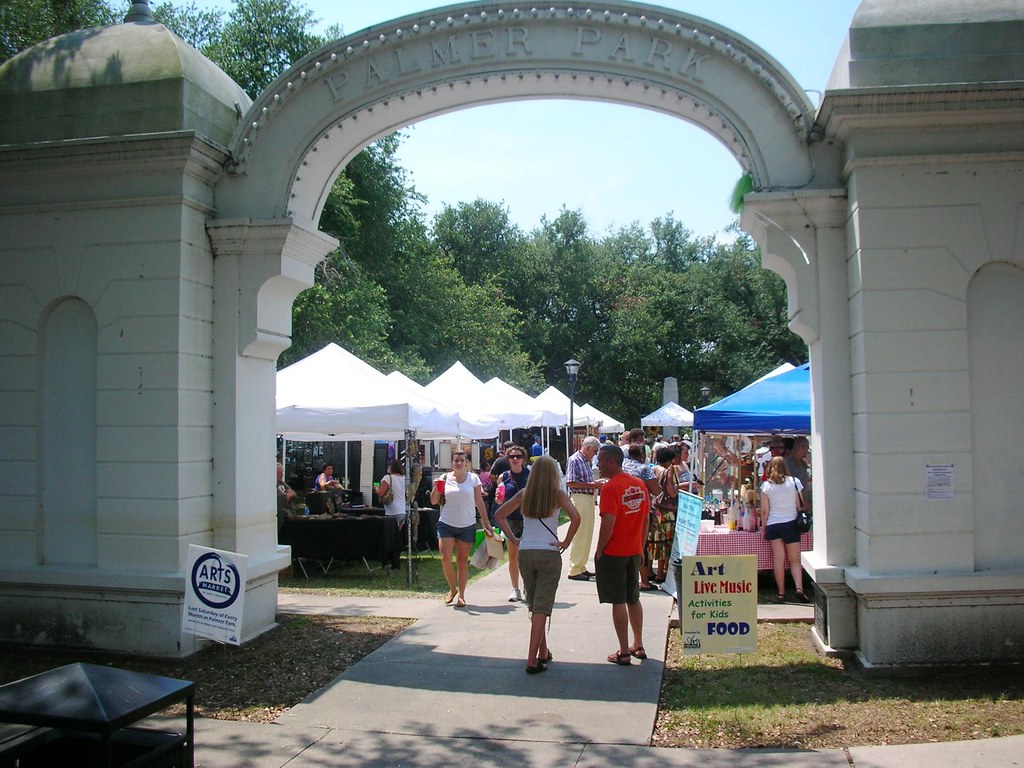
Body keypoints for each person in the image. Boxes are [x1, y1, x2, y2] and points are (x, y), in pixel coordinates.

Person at [495, 455, 581, 674]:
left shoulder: (525, 494)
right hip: (549, 552)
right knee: (542, 606)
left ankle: (543, 651)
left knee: (534, 604)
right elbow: (576, 517)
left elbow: (499, 514)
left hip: (526, 551)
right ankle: (532, 659)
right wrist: (566, 541)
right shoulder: (558, 495)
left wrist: (514, 538)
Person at [594, 444, 650, 666]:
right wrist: (641, 546)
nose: (597, 464)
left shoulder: (610, 489)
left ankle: (624, 650)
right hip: (634, 550)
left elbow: (608, 522)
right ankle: (638, 643)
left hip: (615, 552)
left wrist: (599, 549)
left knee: (618, 601)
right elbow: (646, 519)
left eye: (600, 460)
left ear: (610, 461)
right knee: (633, 598)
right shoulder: (639, 484)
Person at [430, 450, 493, 608]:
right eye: (456, 460)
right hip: (446, 523)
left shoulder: (473, 478)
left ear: (467, 463)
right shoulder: (444, 478)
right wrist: (436, 487)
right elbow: (433, 501)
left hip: (466, 524)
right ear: (452, 462)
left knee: (462, 561)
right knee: (445, 558)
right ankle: (452, 589)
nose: (459, 463)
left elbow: (479, 502)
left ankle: (462, 596)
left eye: (462, 460)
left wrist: (486, 522)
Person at [760, 456, 809, 603]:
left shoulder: (766, 486)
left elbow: (764, 510)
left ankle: (781, 593)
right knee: (794, 560)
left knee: (779, 559)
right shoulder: (795, 482)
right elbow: (799, 505)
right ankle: (799, 588)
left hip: (774, 524)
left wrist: (764, 528)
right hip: (791, 523)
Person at [565, 436, 604, 581]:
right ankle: (574, 568)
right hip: (579, 497)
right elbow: (571, 482)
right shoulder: (575, 459)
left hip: (586, 498)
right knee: (580, 533)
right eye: (594, 451)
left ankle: (580, 566)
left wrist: (593, 484)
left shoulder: (584, 460)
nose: (594, 454)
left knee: (586, 533)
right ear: (587, 447)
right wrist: (594, 485)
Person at [496, 447, 531, 601]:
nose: (515, 459)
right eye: (511, 456)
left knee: (528, 557)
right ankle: (515, 589)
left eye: (518, 456)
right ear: (508, 459)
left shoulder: (530, 475)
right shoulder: (503, 477)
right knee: (513, 557)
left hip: (528, 519)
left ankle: (528, 588)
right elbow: (499, 501)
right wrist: (498, 498)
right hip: (511, 520)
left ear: (523, 458)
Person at [648, 446, 679, 584]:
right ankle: (660, 573)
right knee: (664, 543)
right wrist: (678, 489)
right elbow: (671, 492)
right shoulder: (668, 471)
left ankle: (648, 571)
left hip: (654, 509)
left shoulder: (652, 469)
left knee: (651, 541)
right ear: (670, 459)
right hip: (666, 512)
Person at [376, 458, 407, 570]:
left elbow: (381, 492)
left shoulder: (387, 478)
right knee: (397, 537)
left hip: (392, 511)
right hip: (402, 511)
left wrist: (375, 488)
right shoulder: (404, 478)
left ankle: (387, 561)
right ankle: (396, 561)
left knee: (388, 538)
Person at [784, 436, 811, 512]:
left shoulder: (802, 463)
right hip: (793, 506)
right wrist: (801, 502)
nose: (807, 451)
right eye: (807, 448)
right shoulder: (787, 463)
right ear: (803, 447)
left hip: (802, 504)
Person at [276, 462, 297, 533]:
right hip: (282, 518)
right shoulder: (273, 486)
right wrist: (287, 494)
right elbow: (282, 497)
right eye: (280, 473)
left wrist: (288, 494)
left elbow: (294, 493)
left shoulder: (282, 483)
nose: (282, 475)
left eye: (282, 472)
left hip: (291, 516)